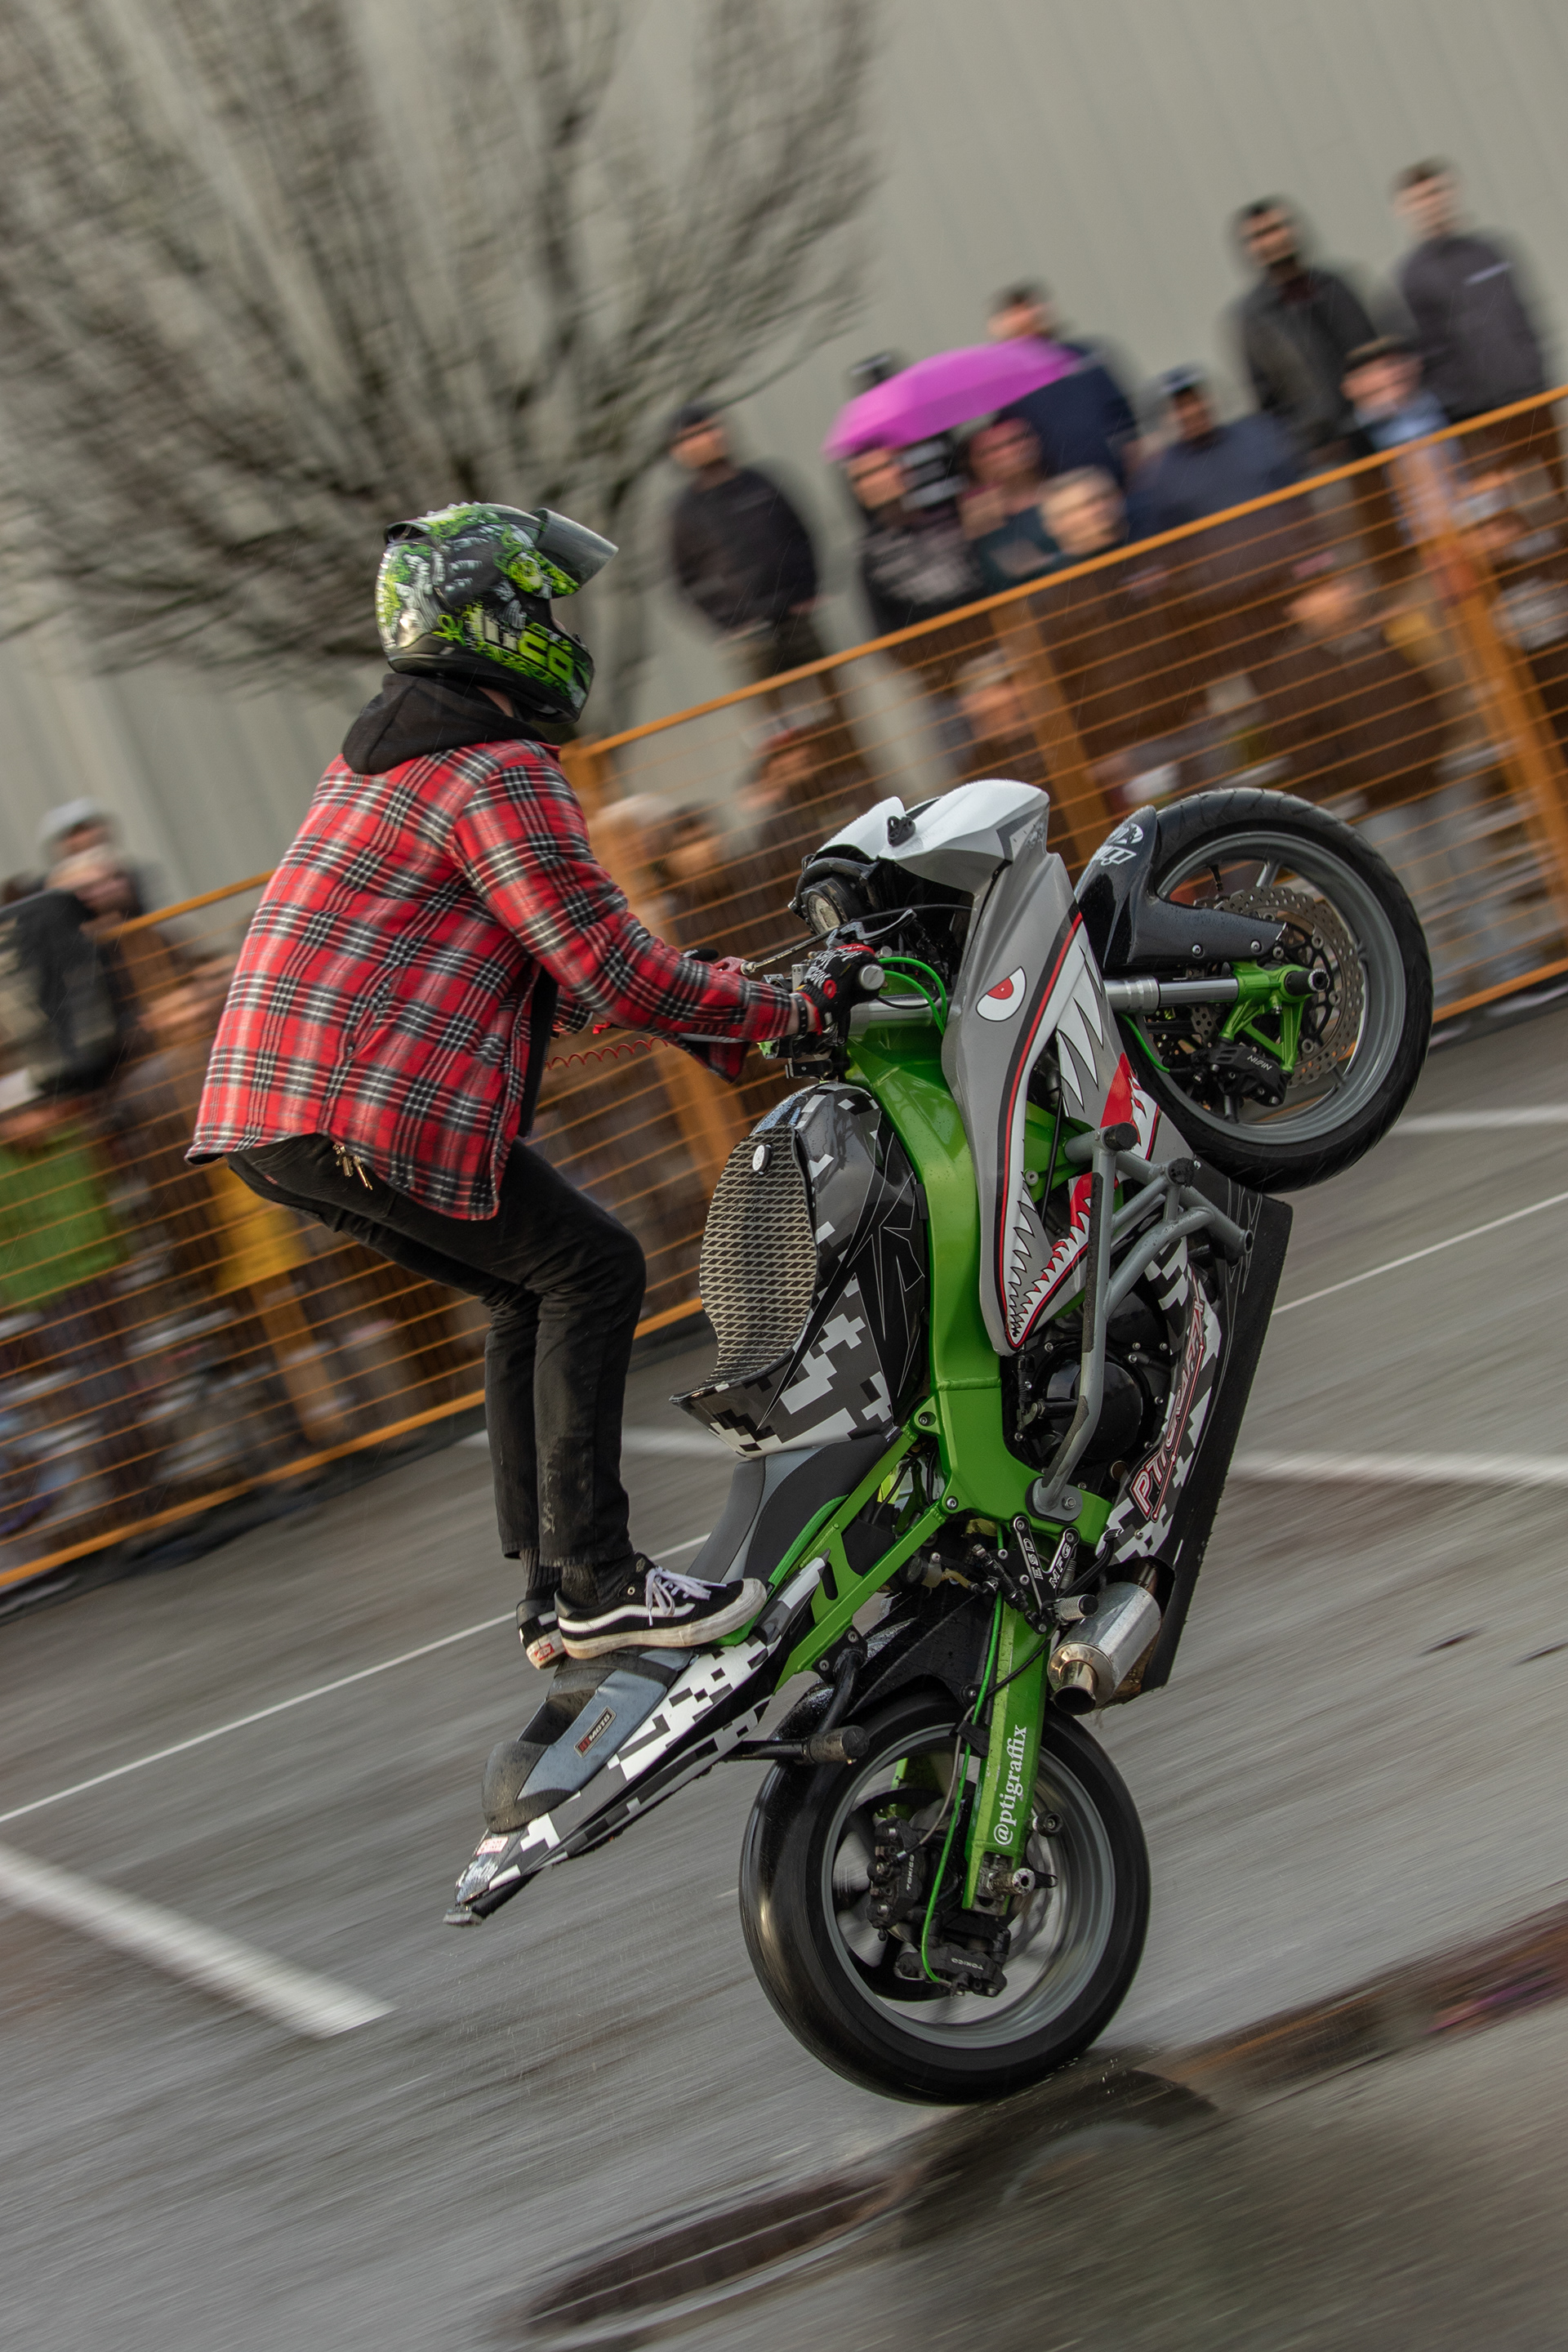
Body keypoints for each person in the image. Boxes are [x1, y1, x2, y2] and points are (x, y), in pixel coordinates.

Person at [190, 501, 839, 1664]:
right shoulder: (489, 766)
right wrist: (784, 1007)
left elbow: (560, 965)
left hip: (279, 1108)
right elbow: (608, 962)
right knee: (592, 1266)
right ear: (483, 619)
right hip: (355, 1103)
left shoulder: (393, 750)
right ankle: (595, 1581)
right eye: (537, 602)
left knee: (531, 1286)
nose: (555, 621)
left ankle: (555, 1597)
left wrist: (717, 1010)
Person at [1134, 365, 1315, 681]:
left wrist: (1312, 557)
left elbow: (1298, 499)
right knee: (1272, 682)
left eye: (1195, 400)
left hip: (1291, 582)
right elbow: (1165, 549)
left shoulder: (1259, 435)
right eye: (1180, 406)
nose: (1190, 411)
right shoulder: (1161, 476)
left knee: (1319, 666)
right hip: (1233, 606)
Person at [665, 403, 831, 702]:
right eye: (692, 437)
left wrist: (808, 590)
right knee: (783, 732)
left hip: (797, 621)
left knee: (834, 711)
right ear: (679, 451)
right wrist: (730, 621)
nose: (705, 440)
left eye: (708, 430)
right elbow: (684, 580)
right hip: (750, 640)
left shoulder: (763, 483)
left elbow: (802, 535)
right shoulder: (685, 513)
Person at [845, 444, 987, 760]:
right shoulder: (869, 559)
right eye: (867, 476)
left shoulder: (949, 522)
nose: (882, 479)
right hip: (943, 692)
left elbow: (982, 587)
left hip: (994, 670)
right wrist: (942, 673)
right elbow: (887, 640)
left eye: (888, 467)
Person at [1392, 162, 1549, 427]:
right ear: (1403, 209)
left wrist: (1533, 371)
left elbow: (1521, 317)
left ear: (1452, 193)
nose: (1431, 204)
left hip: (1530, 394)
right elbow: (1424, 349)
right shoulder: (1412, 276)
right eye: (1420, 199)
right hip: (1476, 413)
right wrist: (1459, 402)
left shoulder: (1488, 251)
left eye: (1436, 193)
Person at [1231, 198, 1379, 461]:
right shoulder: (1252, 319)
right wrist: (1303, 439)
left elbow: (1371, 348)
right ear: (1250, 248)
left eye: (1277, 228)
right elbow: (1265, 402)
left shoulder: (1335, 286)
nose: (1272, 240)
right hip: (1321, 452)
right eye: (1260, 235)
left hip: (1376, 427)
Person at [987, 281, 1140, 485]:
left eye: (1031, 309)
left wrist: (1134, 462)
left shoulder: (1085, 356)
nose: (1027, 318)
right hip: (1061, 491)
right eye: (1017, 314)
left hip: (1118, 477)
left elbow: (1122, 414)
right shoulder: (1004, 385)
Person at [963, 418, 1062, 593]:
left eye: (1016, 440)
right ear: (975, 463)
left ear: (1035, 442)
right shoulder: (980, 523)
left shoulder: (1070, 491)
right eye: (991, 450)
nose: (1008, 452)